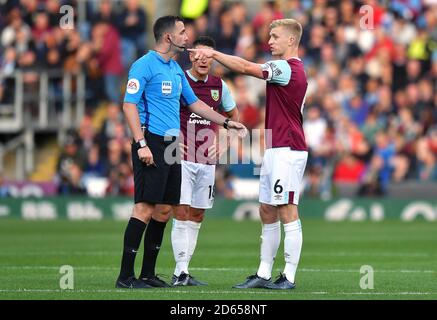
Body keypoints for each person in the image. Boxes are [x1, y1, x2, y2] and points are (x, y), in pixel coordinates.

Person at [115, 15, 247, 289]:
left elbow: (195, 103)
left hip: (173, 147)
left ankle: (148, 274)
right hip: (152, 141)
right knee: (144, 208)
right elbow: (129, 106)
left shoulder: (174, 69)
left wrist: (225, 122)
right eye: (182, 32)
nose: (187, 37)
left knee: (163, 211)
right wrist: (141, 143)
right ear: (168, 37)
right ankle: (126, 277)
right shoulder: (143, 65)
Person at [190, 18, 308, 290]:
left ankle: (288, 277)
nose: (269, 41)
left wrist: (214, 54)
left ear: (291, 40)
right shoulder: (286, 68)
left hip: (288, 148)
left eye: (275, 36)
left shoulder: (288, 68)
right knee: (267, 209)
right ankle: (264, 274)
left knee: (287, 209)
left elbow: (244, 67)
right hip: (275, 147)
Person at [152, 36, 240, 286]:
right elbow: (160, 109)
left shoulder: (219, 86)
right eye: (199, 54)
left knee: (198, 214)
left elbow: (233, 115)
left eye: (209, 55)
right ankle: (180, 272)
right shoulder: (178, 79)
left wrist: (224, 141)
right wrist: (171, 138)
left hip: (206, 160)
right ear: (191, 55)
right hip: (180, 157)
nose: (203, 59)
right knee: (180, 210)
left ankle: (184, 270)